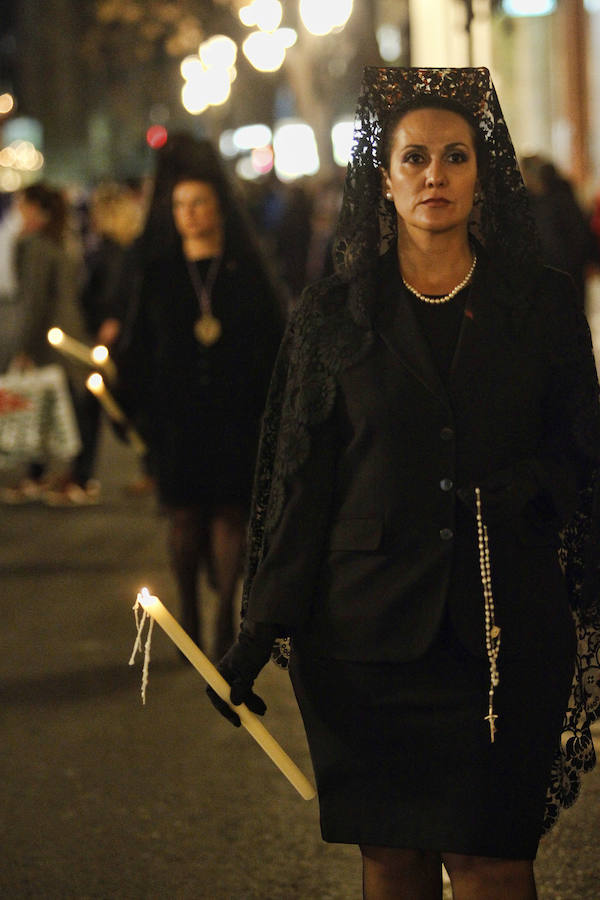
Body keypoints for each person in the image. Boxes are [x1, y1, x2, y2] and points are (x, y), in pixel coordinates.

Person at [207, 68, 600, 899]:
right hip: (364, 642)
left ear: (481, 174)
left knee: (495, 861)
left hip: (503, 635)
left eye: (454, 157)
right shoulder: (333, 314)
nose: (434, 175)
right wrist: (259, 626)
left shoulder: (542, 303)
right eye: (413, 158)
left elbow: (582, 450)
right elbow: (300, 485)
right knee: (394, 861)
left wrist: (526, 486)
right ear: (381, 179)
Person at [117, 140, 284, 660]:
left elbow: (273, 340)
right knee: (185, 518)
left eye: (200, 204)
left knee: (231, 516)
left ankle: (223, 619)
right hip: (179, 419)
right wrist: (133, 407)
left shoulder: (246, 271)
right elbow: (139, 344)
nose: (190, 215)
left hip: (235, 416)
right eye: (180, 205)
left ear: (219, 210)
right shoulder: (160, 274)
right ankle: (187, 609)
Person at [1, 182, 86, 503]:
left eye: (21, 205)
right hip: (65, 333)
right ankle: (64, 476)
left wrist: (21, 346)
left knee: (50, 405)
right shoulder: (61, 239)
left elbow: (33, 301)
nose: (16, 213)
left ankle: (63, 477)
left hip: (51, 338)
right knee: (62, 405)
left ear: (36, 210)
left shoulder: (35, 246)